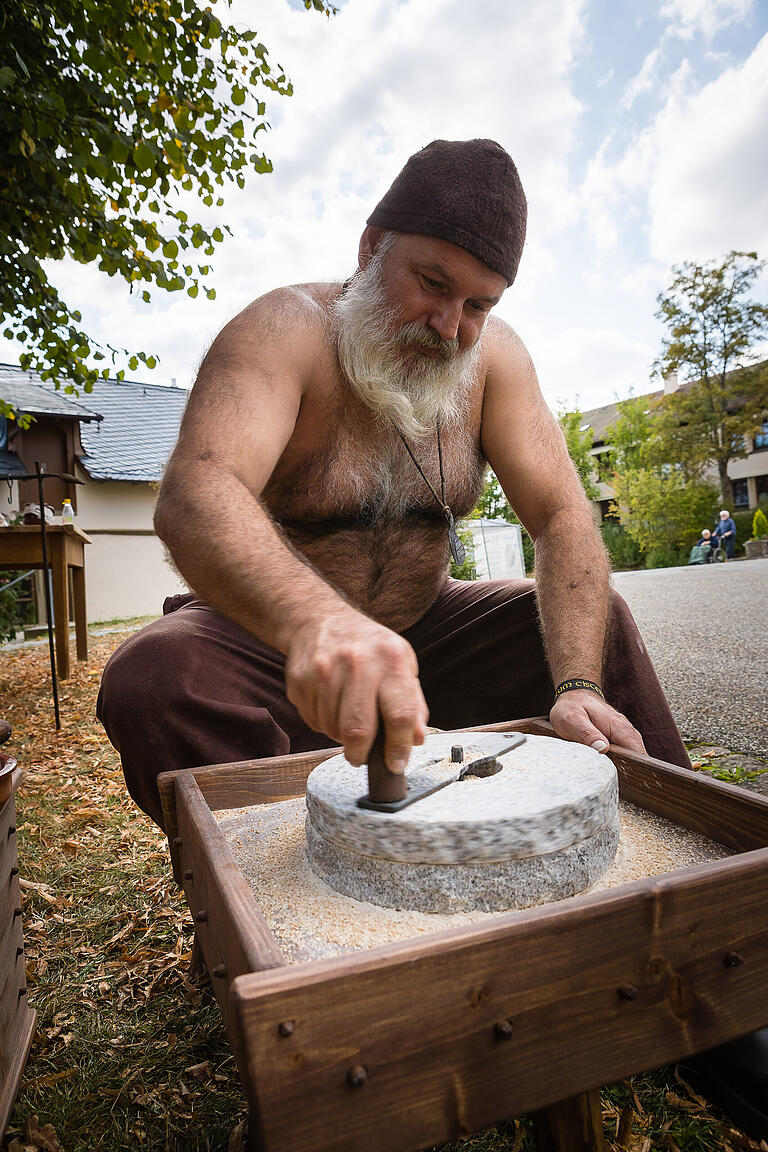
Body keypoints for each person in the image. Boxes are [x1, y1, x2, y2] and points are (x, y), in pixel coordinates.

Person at [96, 139, 766, 1138]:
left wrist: (575, 680)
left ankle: (715, 967)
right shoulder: (285, 331)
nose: (452, 325)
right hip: (267, 641)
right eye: (431, 282)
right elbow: (196, 491)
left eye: (481, 302)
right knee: (153, 678)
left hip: (426, 634)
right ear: (370, 249)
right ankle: (317, 971)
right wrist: (317, 620)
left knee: (606, 628)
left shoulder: (492, 364)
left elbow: (565, 522)